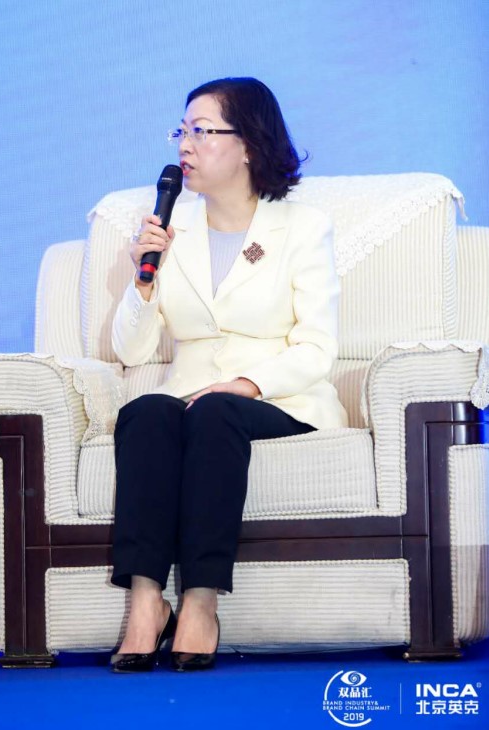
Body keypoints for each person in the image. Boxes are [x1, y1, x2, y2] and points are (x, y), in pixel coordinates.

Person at [108, 77, 348, 673]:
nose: (184, 145)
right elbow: (131, 351)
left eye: (201, 131)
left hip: (277, 397)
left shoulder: (301, 227)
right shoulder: (173, 230)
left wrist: (245, 384)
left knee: (215, 412)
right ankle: (146, 602)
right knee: (145, 412)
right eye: (181, 131)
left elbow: (318, 347)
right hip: (189, 394)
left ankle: (200, 602)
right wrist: (143, 278)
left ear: (247, 144)